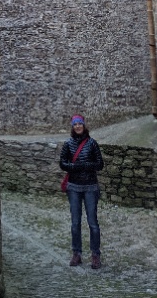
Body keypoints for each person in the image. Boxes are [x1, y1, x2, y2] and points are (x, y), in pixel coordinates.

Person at [59, 113, 104, 269]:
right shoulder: (68, 144)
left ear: (84, 125)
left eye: (80, 124)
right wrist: (74, 167)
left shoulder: (92, 143)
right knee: (75, 223)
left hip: (90, 187)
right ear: (72, 127)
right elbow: (62, 163)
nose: (78, 126)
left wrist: (86, 165)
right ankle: (76, 253)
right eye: (75, 124)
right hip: (74, 187)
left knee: (93, 223)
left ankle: (95, 255)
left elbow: (100, 164)